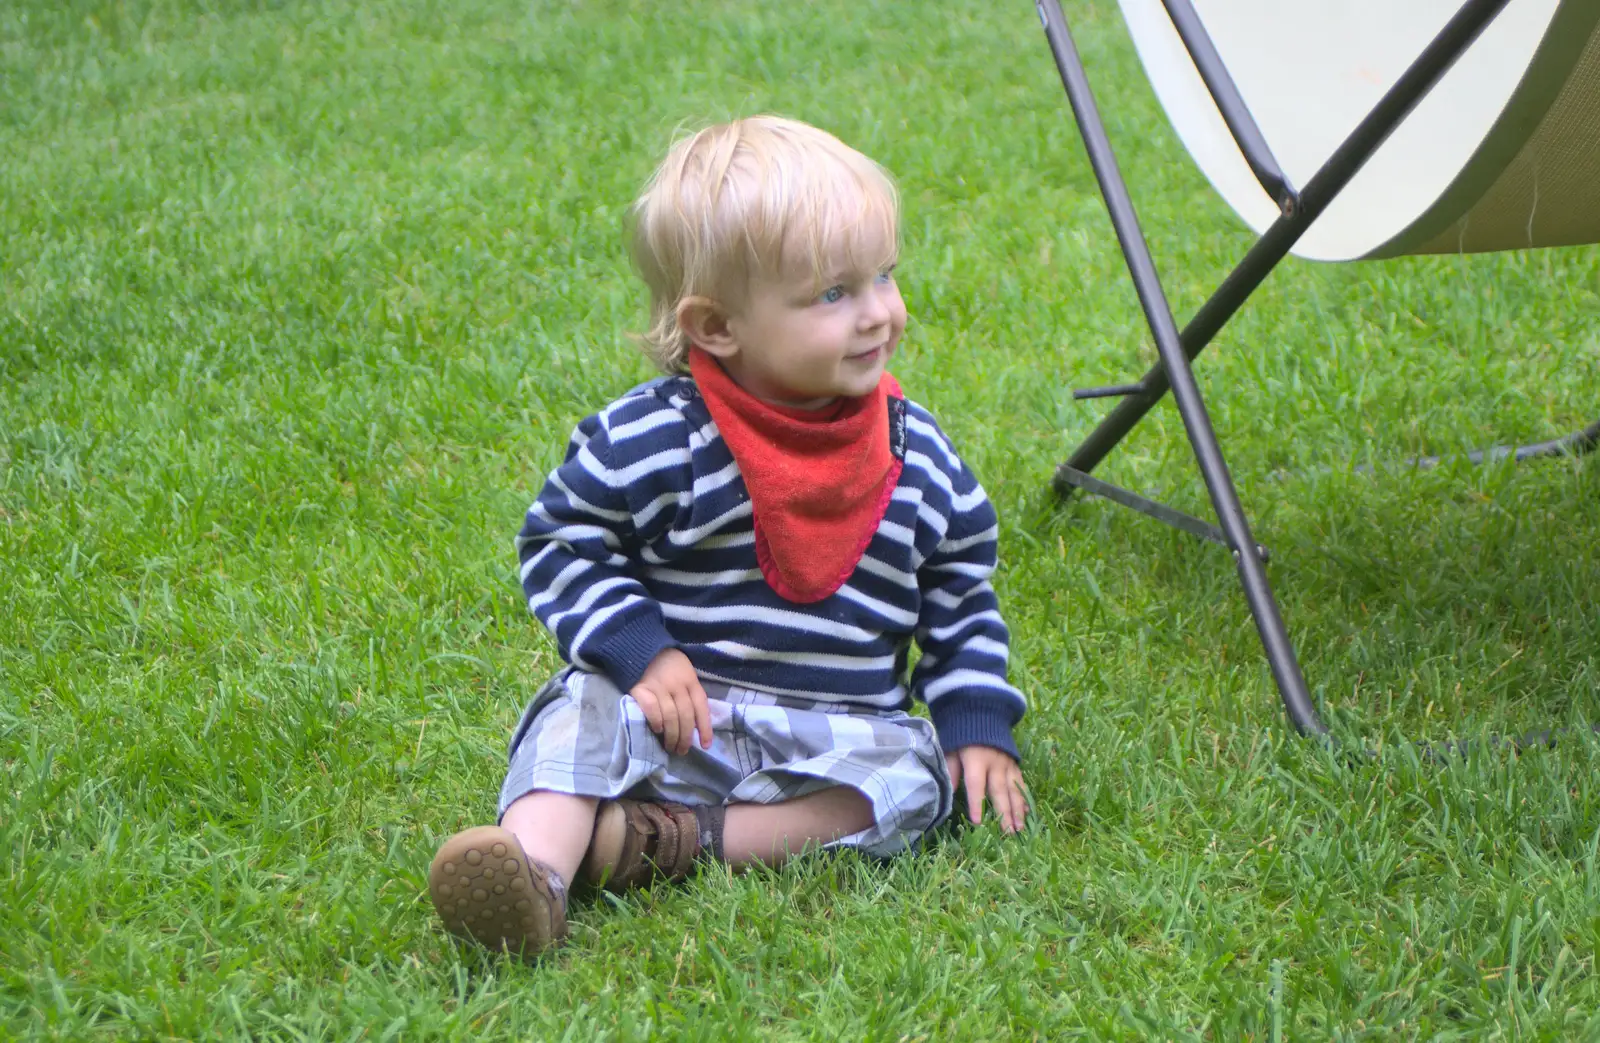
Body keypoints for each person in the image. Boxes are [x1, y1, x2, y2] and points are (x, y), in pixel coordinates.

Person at [428, 115, 1029, 957]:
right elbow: (564, 542)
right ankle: (536, 877)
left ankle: (656, 845)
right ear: (716, 326)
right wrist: (640, 651)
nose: (880, 313)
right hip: (679, 720)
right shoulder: (655, 440)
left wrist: (973, 717)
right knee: (580, 710)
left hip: (834, 733)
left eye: (883, 275)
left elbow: (959, 589)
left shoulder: (915, 453)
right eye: (833, 292)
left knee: (912, 776)